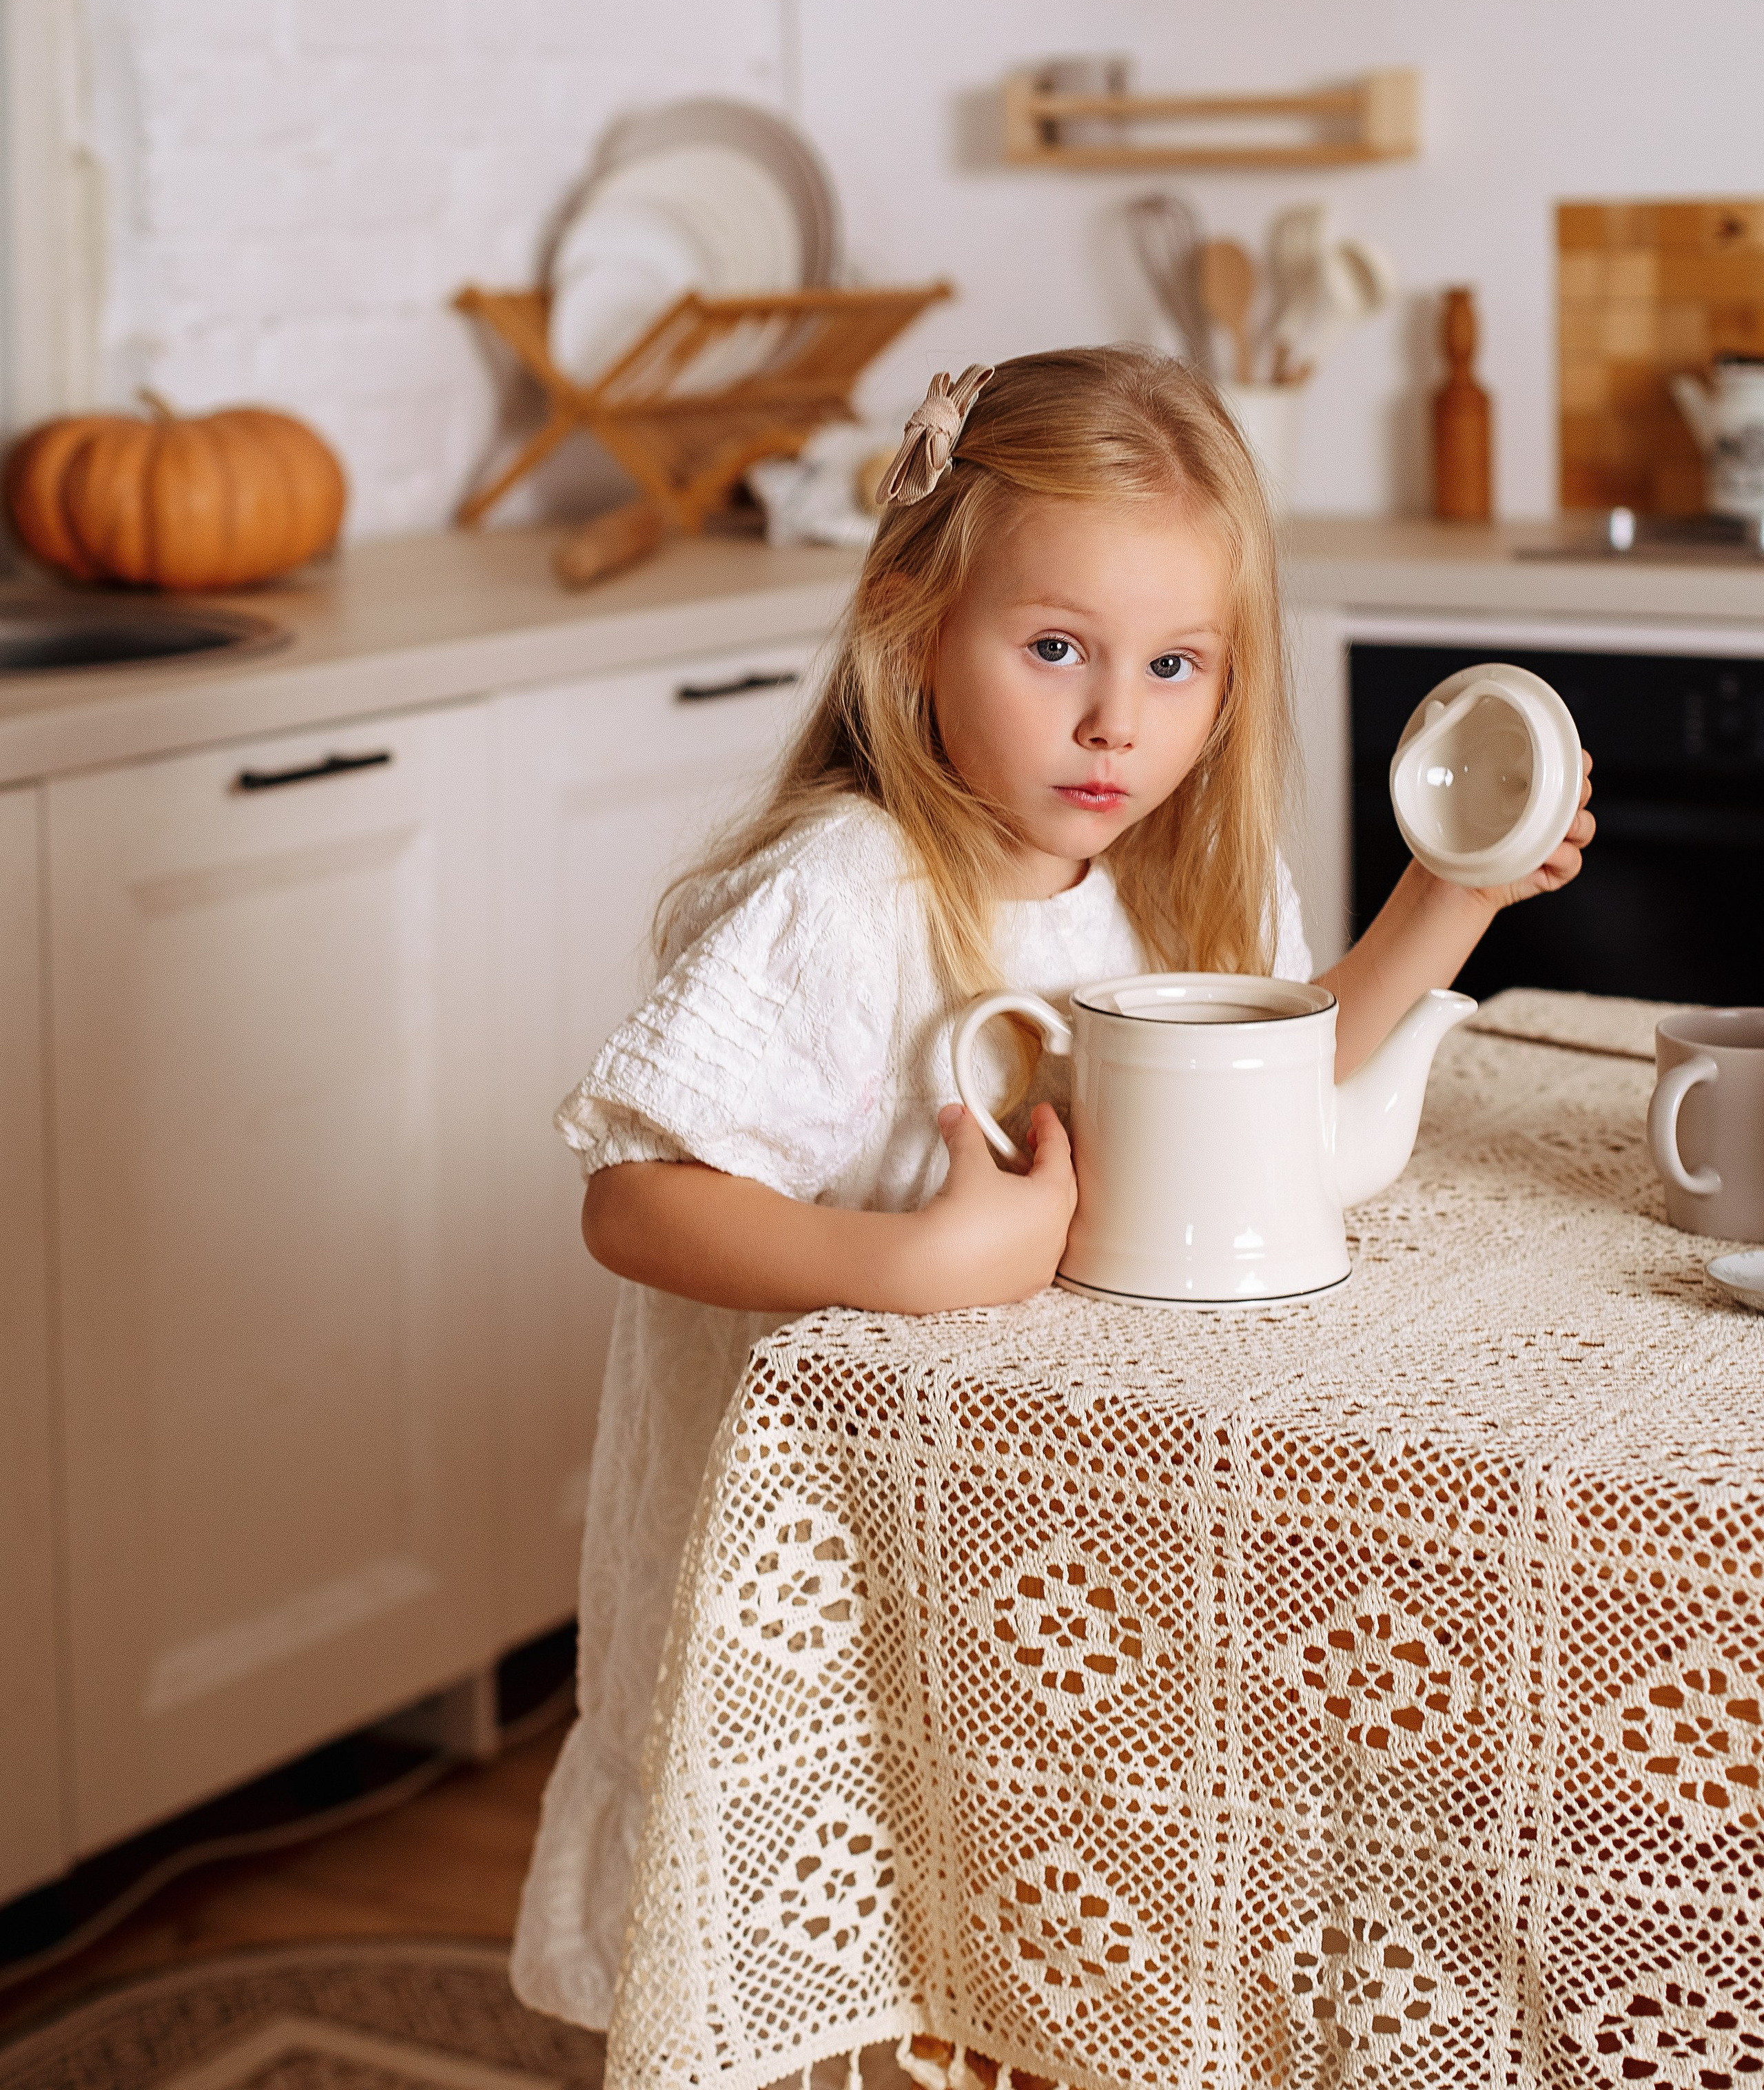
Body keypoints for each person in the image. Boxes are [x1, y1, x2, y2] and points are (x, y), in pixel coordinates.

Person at [509, 345, 1594, 2027]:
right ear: (910, 626)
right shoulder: (846, 894)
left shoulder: (1167, 887)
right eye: (1054, 650)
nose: (1115, 720)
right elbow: (635, 1202)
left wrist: (1453, 898)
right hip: (820, 1568)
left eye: (1173, 665)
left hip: (1032, 1550)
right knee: (837, 1951)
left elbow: (1281, 1071)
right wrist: (922, 1263)